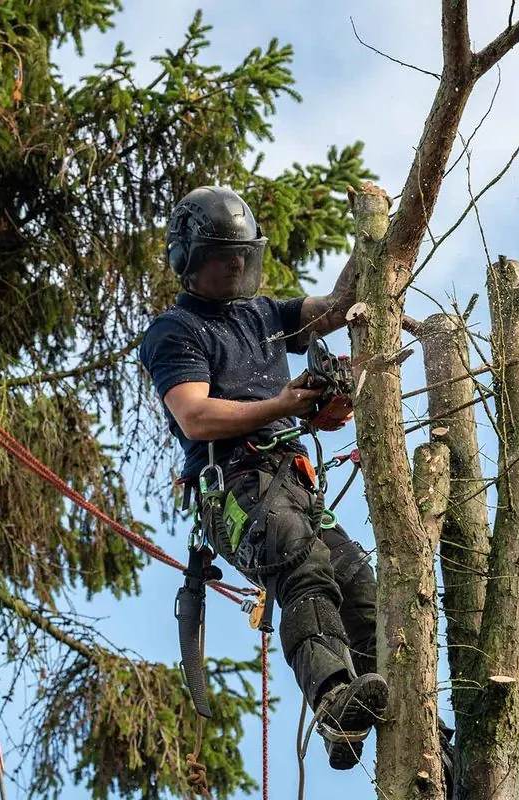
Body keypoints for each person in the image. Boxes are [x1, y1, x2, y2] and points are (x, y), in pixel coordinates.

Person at [138, 185, 383, 770]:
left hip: (294, 484)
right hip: (235, 488)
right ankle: (332, 702)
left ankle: (413, 727)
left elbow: (339, 303)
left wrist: (372, 233)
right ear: (193, 262)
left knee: (366, 592)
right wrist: (284, 404)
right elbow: (195, 416)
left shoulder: (264, 313)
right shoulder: (175, 331)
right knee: (302, 562)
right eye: (229, 256)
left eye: (247, 253)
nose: (242, 265)